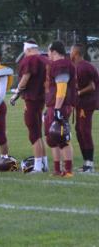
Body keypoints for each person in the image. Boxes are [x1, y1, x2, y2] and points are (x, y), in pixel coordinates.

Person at [13, 40, 48, 173]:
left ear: (27, 49)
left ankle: (38, 166)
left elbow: (25, 78)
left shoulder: (30, 59)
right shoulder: (46, 60)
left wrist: (16, 92)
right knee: (38, 133)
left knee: (34, 134)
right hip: (42, 99)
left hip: (31, 99)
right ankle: (44, 164)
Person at [45, 41, 76, 177]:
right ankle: (57, 169)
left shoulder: (61, 64)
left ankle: (68, 170)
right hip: (54, 105)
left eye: (49, 51)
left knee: (62, 137)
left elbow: (62, 87)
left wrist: (57, 109)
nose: (48, 54)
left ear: (54, 51)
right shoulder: (58, 64)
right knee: (52, 137)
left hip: (61, 105)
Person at [70, 43, 98, 173]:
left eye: (71, 51)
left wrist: (79, 93)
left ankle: (89, 164)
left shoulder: (84, 67)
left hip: (86, 104)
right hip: (81, 104)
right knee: (79, 131)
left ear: (75, 53)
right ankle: (86, 162)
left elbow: (92, 86)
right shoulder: (78, 66)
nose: (69, 53)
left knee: (84, 131)